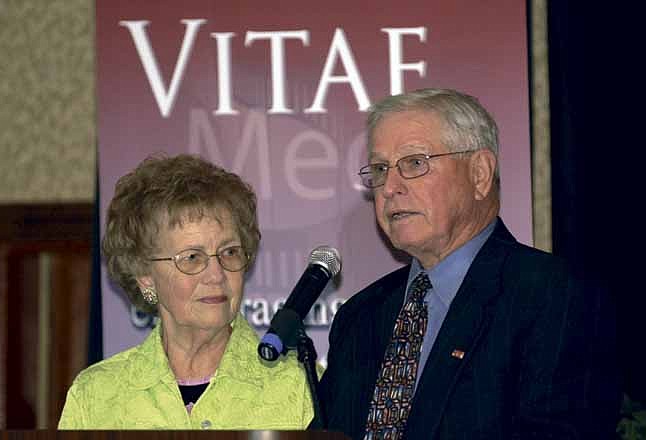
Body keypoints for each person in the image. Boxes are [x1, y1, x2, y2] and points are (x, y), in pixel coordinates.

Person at [312, 88, 621, 439]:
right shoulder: (360, 316)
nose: (389, 187)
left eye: (414, 163)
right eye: (381, 169)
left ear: (479, 174)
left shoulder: (554, 297)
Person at [59, 153, 314, 429]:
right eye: (192, 257)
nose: (216, 275)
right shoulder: (95, 396)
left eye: (229, 252)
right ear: (145, 276)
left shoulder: (301, 389)